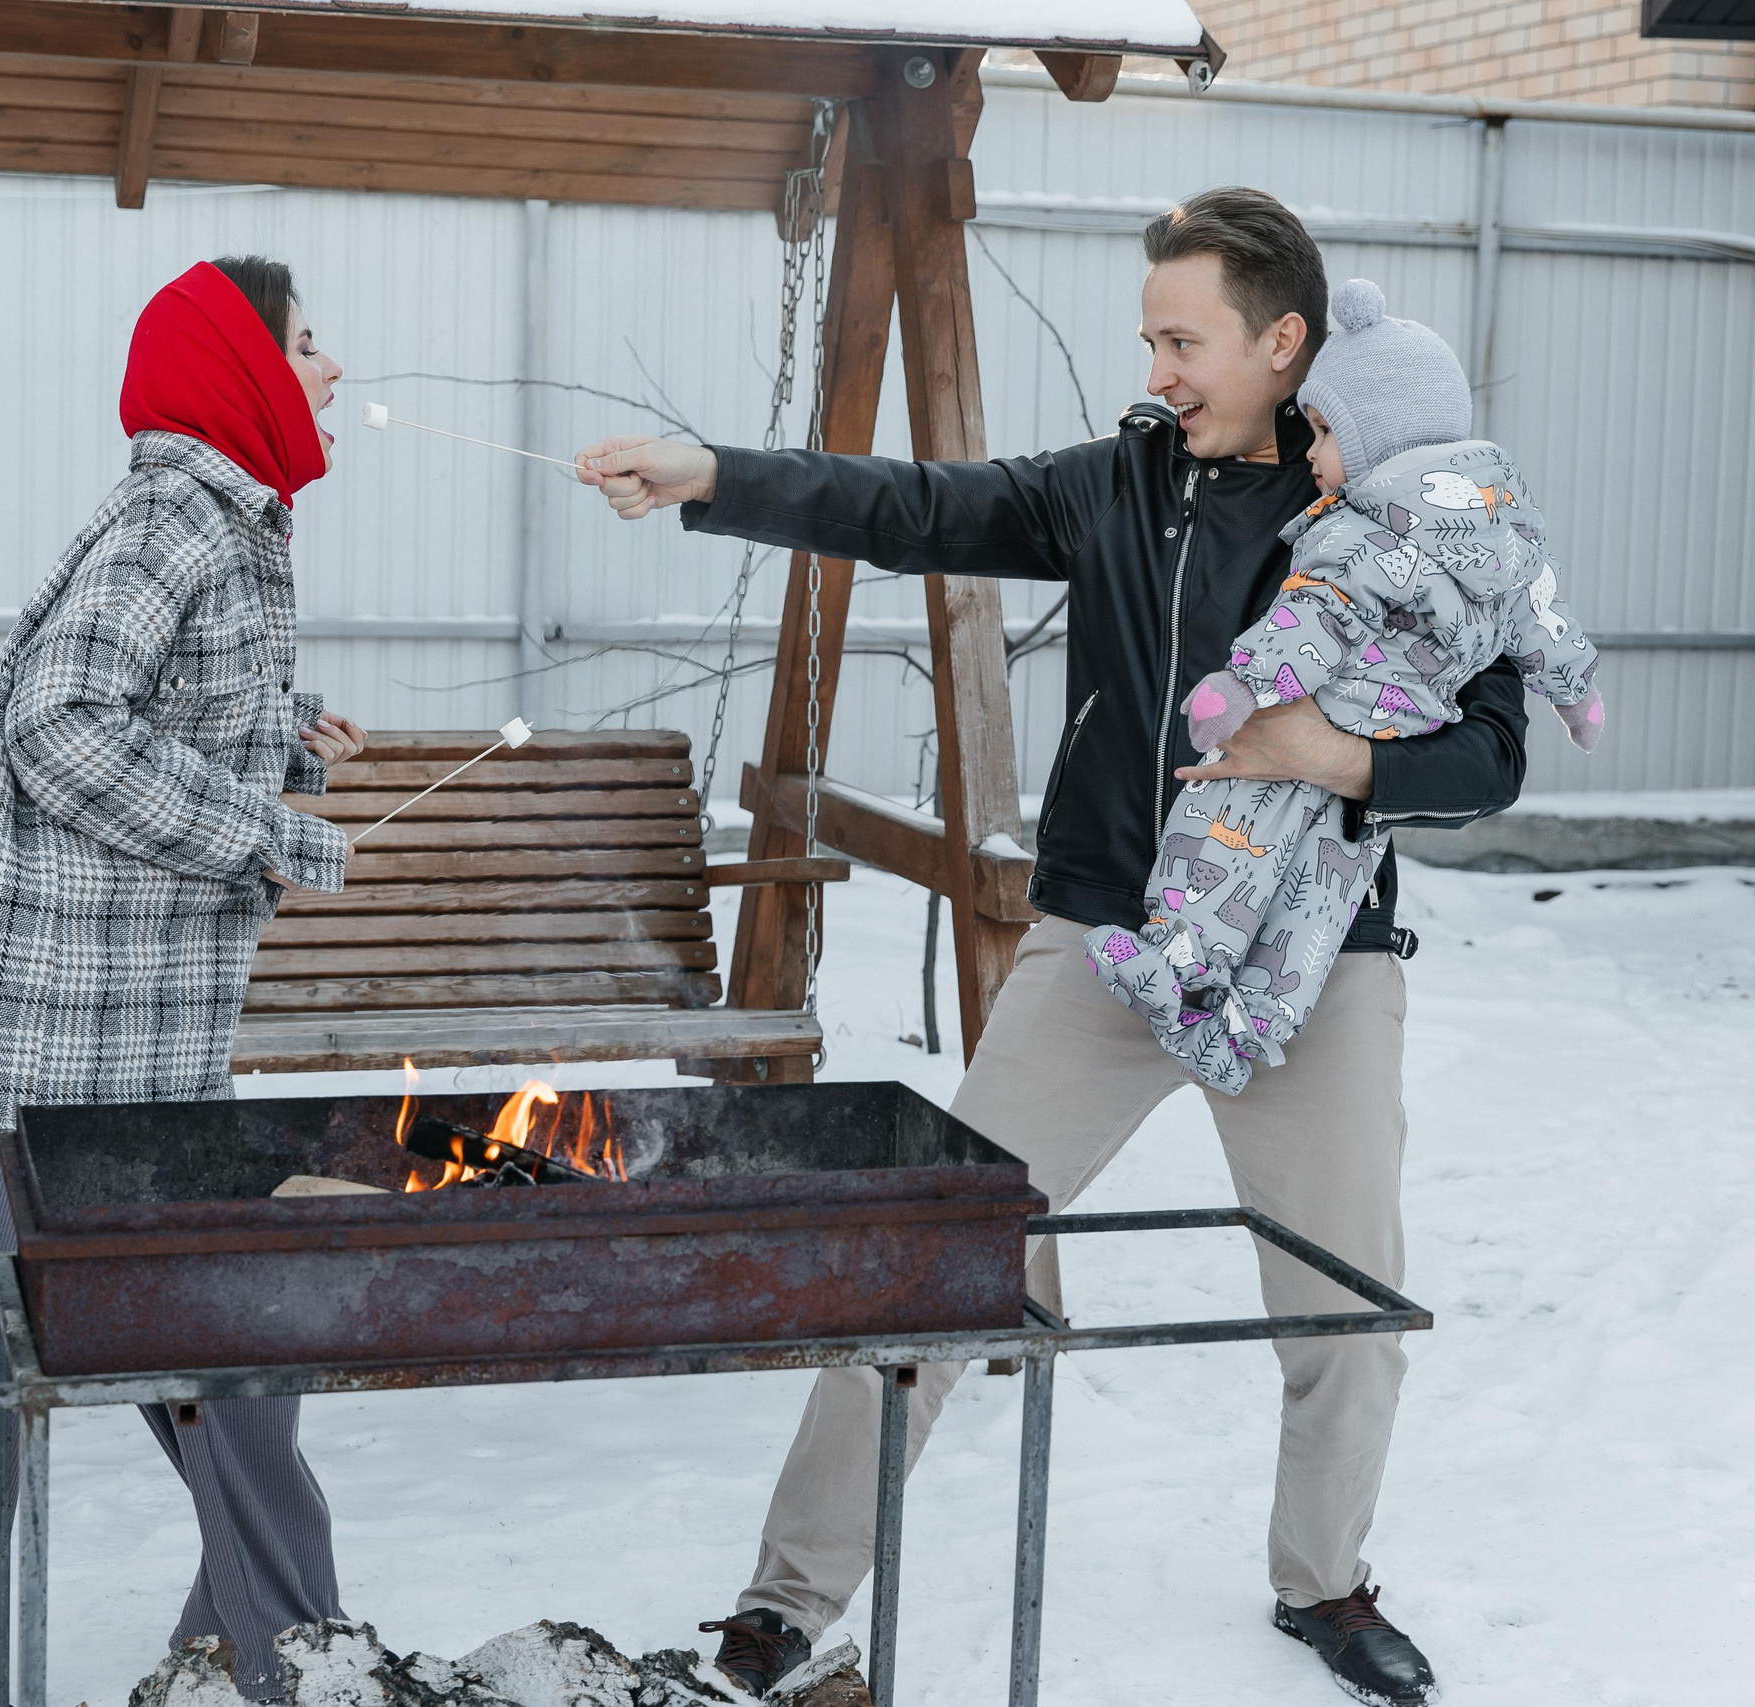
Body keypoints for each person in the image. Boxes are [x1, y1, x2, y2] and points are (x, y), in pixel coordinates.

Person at [576, 188, 1527, 1707]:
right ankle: (786, 1595)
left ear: (1283, 342)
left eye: (1182, 342)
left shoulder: (1397, 504)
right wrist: (715, 475)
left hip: (1310, 960)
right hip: (1106, 936)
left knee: (1347, 1303)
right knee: (935, 1261)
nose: (1156, 370)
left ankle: (1325, 1581)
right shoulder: (1117, 488)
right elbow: (913, 505)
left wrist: (1333, 757)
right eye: (1151, 340)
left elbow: (1493, 753)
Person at [0, 256, 368, 1707]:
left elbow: (148, 708)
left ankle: (271, 1652)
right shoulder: (175, 517)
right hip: (5, 1055)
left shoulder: (225, 520)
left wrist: (278, 733)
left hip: (130, 1059)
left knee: (238, 1349)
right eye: (307, 343)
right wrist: (266, 831)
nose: (333, 367)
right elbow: (57, 725)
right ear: (241, 369)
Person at [1093, 276, 1603, 1095]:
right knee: (1317, 903)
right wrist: (1576, 696)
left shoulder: (1360, 533)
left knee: (1222, 836)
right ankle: (1250, 1027)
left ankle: (1175, 965)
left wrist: (1240, 688)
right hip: (1384, 757)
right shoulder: (1506, 534)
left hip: (1321, 717)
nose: (1312, 452)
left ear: (1384, 441)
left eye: (1326, 433)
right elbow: (1543, 620)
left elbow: (1312, 618)